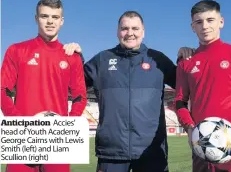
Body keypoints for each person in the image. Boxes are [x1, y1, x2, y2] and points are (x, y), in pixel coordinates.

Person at [64, 10, 193, 172]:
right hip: (111, 152)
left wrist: (186, 57)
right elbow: (71, 84)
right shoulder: (101, 60)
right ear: (118, 31)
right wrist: (75, 58)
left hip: (151, 152)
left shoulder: (158, 60)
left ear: (143, 32)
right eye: (125, 28)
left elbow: (189, 86)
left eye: (135, 28)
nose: (130, 33)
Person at [175, 0, 231, 172]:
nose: (205, 26)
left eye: (210, 20)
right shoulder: (185, 62)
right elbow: (180, 101)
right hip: (201, 148)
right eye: (199, 22)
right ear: (192, 27)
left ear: (221, 22)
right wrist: (189, 127)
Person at [1, 0, 87, 172]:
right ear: (36, 18)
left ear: (62, 21)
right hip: (22, 137)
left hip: (57, 139)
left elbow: (80, 96)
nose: (50, 21)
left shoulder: (72, 56)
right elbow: (3, 90)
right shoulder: (16, 50)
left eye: (55, 17)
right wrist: (20, 123)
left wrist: (68, 125)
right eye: (44, 16)